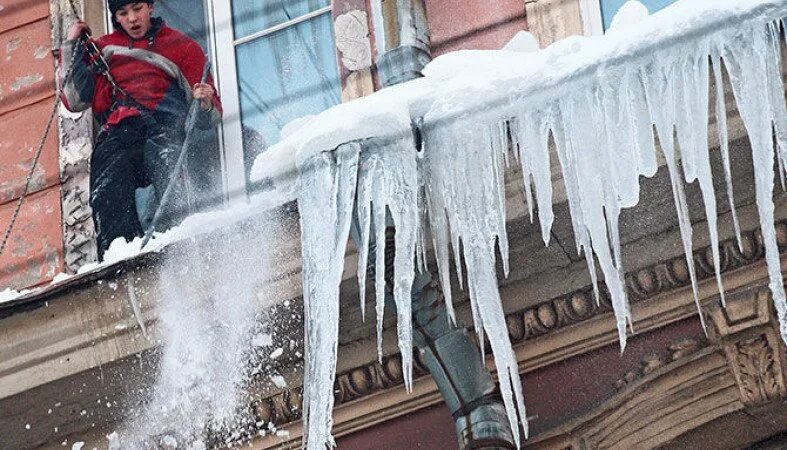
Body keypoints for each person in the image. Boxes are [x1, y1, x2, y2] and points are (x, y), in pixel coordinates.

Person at [59, 0, 223, 260]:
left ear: (150, 7)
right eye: (123, 13)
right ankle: (119, 259)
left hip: (163, 127)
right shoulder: (102, 49)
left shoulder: (182, 47)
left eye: (137, 9)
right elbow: (73, 99)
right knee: (108, 189)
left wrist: (204, 101)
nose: (132, 19)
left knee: (171, 173)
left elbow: (209, 116)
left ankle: (184, 247)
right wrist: (72, 45)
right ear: (116, 17)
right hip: (118, 131)